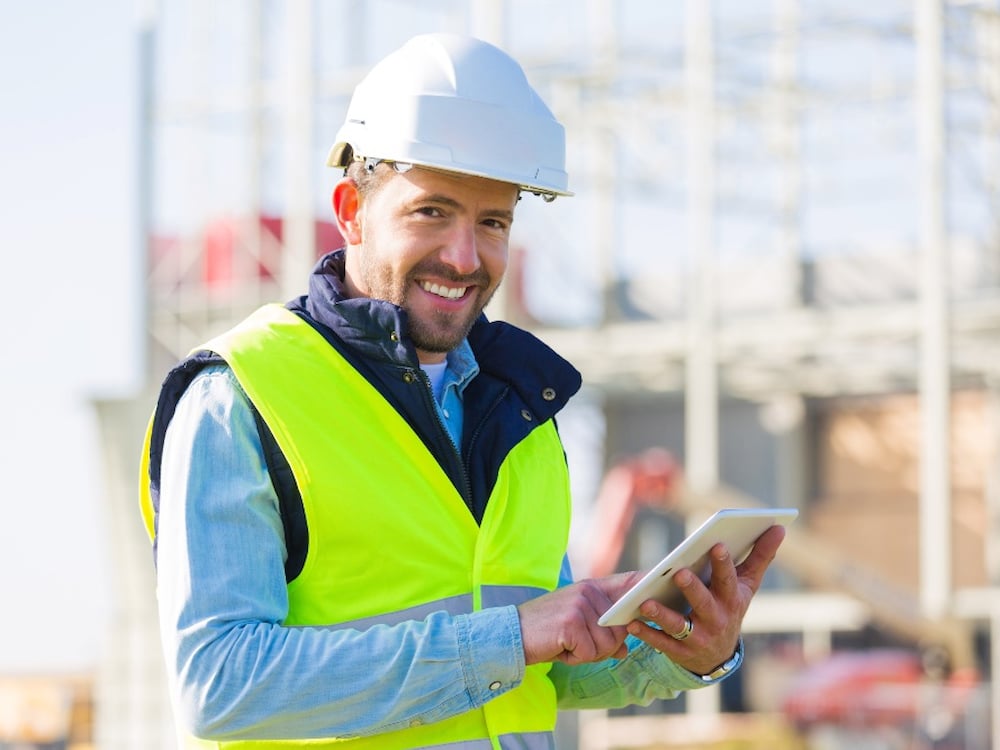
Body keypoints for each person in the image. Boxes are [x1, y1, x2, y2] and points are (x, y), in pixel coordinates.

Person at [139, 32, 786, 750]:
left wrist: (684, 648)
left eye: (493, 222)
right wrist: (510, 639)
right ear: (351, 209)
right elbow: (221, 686)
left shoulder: (522, 411)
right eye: (432, 212)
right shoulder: (242, 396)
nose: (463, 256)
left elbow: (550, 667)